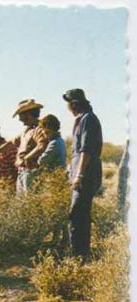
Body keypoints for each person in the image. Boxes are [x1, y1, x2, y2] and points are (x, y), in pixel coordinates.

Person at [63, 88, 102, 260]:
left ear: (74, 104)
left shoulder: (88, 120)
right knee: (80, 214)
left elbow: (86, 151)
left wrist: (78, 175)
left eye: (68, 104)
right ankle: (80, 255)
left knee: (77, 214)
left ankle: (78, 256)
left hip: (86, 173)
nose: (67, 108)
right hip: (81, 172)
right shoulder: (83, 119)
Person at [0, 99, 48, 192]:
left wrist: (26, 158)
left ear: (28, 115)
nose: (20, 119)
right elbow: (11, 144)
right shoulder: (26, 131)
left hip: (31, 171)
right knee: (22, 202)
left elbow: (41, 146)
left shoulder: (39, 130)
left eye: (21, 116)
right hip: (23, 172)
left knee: (30, 200)